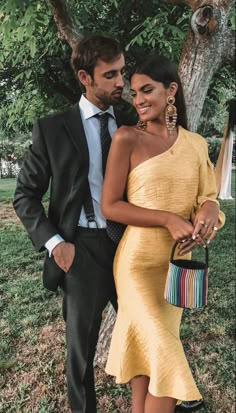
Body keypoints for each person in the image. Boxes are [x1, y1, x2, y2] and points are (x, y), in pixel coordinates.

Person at [13, 34, 136, 413]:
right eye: (111, 74)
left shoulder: (133, 119)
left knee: (144, 335)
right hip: (80, 248)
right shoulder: (52, 129)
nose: (122, 82)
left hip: (131, 245)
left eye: (123, 72)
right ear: (85, 77)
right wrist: (56, 245)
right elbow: (24, 195)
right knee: (80, 354)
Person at [101, 54, 225, 413]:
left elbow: (209, 199)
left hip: (176, 269)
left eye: (147, 90)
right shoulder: (126, 138)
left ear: (171, 91)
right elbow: (111, 206)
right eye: (134, 92)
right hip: (137, 267)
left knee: (149, 355)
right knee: (166, 358)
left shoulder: (197, 144)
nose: (138, 99)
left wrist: (208, 214)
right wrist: (167, 218)